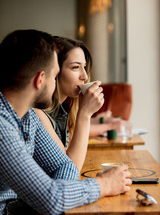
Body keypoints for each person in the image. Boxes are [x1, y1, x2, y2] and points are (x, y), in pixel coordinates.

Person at [0, 30, 132, 215]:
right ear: (40, 80)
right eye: (54, 77)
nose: (85, 76)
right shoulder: (2, 126)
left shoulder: (28, 116)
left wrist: (65, 192)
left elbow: (65, 165)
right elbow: (51, 199)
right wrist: (104, 184)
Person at [35, 37, 124, 170]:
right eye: (75, 67)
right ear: (54, 71)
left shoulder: (63, 109)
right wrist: (85, 114)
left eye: (85, 67)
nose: (85, 76)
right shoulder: (37, 113)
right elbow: (70, 170)